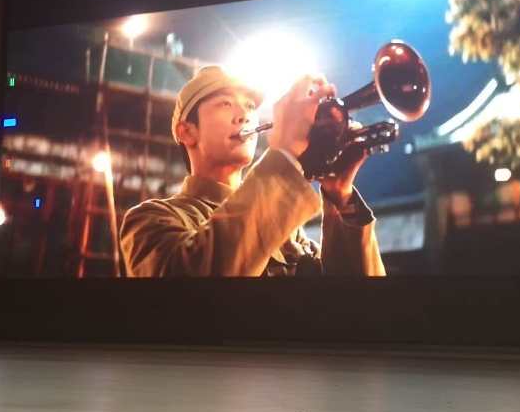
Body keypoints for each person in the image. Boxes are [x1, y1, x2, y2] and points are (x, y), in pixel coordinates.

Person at [119, 65, 386, 277]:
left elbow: (356, 308)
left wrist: (341, 199)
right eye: (225, 104)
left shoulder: (290, 232)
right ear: (186, 132)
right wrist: (284, 153)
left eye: (249, 106)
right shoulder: (151, 219)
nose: (244, 115)